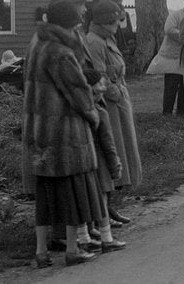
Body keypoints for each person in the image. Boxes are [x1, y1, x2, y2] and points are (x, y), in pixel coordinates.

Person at [22, 0, 102, 268]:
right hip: (64, 131)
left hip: (39, 129)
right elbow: (77, 91)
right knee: (72, 191)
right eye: (77, 22)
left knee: (45, 194)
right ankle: (72, 249)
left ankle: (41, 252)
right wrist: (92, 113)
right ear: (69, 24)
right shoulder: (62, 52)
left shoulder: (37, 43)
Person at [85, 0, 142, 225]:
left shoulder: (107, 39)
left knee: (121, 153)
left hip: (118, 104)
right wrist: (115, 93)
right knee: (111, 153)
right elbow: (98, 77)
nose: (119, 24)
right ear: (106, 21)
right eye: (115, 21)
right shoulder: (94, 42)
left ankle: (111, 206)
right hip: (108, 106)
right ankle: (105, 209)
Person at [81, 68, 127, 253]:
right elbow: (108, 143)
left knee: (85, 199)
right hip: (100, 162)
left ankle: (85, 236)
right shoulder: (100, 112)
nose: (104, 86)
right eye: (101, 83)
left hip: (83, 162)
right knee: (102, 199)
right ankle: (107, 238)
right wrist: (115, 165)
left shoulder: (79, 110)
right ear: (93, 87)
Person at [146, 0, 184, 116]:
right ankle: (167, 112)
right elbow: (169, 29)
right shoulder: (176, 15)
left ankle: (181, 112)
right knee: (171, 84)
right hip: (173, 55)